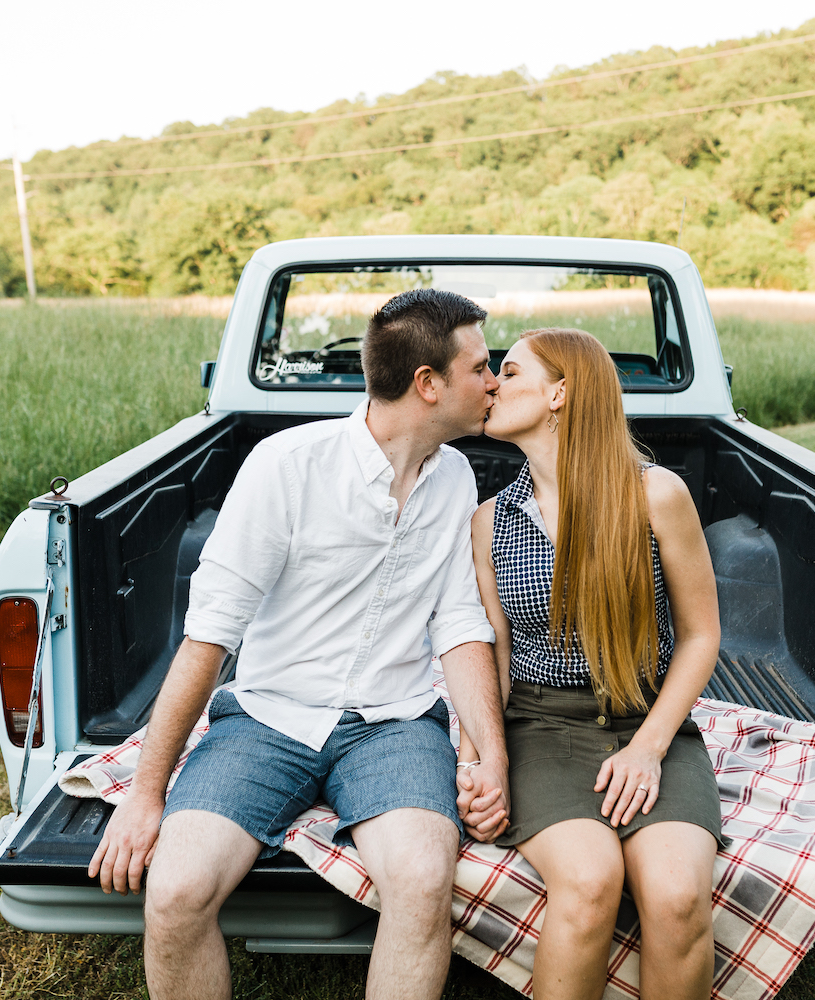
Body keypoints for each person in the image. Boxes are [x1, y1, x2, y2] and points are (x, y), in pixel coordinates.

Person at [88, 288, 512, 1000]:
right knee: (175, 893)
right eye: (482, 367)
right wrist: (146, 793)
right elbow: (209, 637)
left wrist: (490, 752)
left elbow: (459, 626)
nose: (495, 381)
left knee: (423, 880)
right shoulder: (286, 466)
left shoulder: (455, 478)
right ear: (428, 384)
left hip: (395, 726)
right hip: (266, 720)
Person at [469, 327, 727, 1000]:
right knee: (587, 884)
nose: (492, 384)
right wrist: (481, 761)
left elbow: (701, 636)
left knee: (675, 899)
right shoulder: (490, 521)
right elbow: (493, 657)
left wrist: (648, 749)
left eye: (511, 372)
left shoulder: (655, 495)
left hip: (648, 723)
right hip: (542, 728)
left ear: (561, 392)